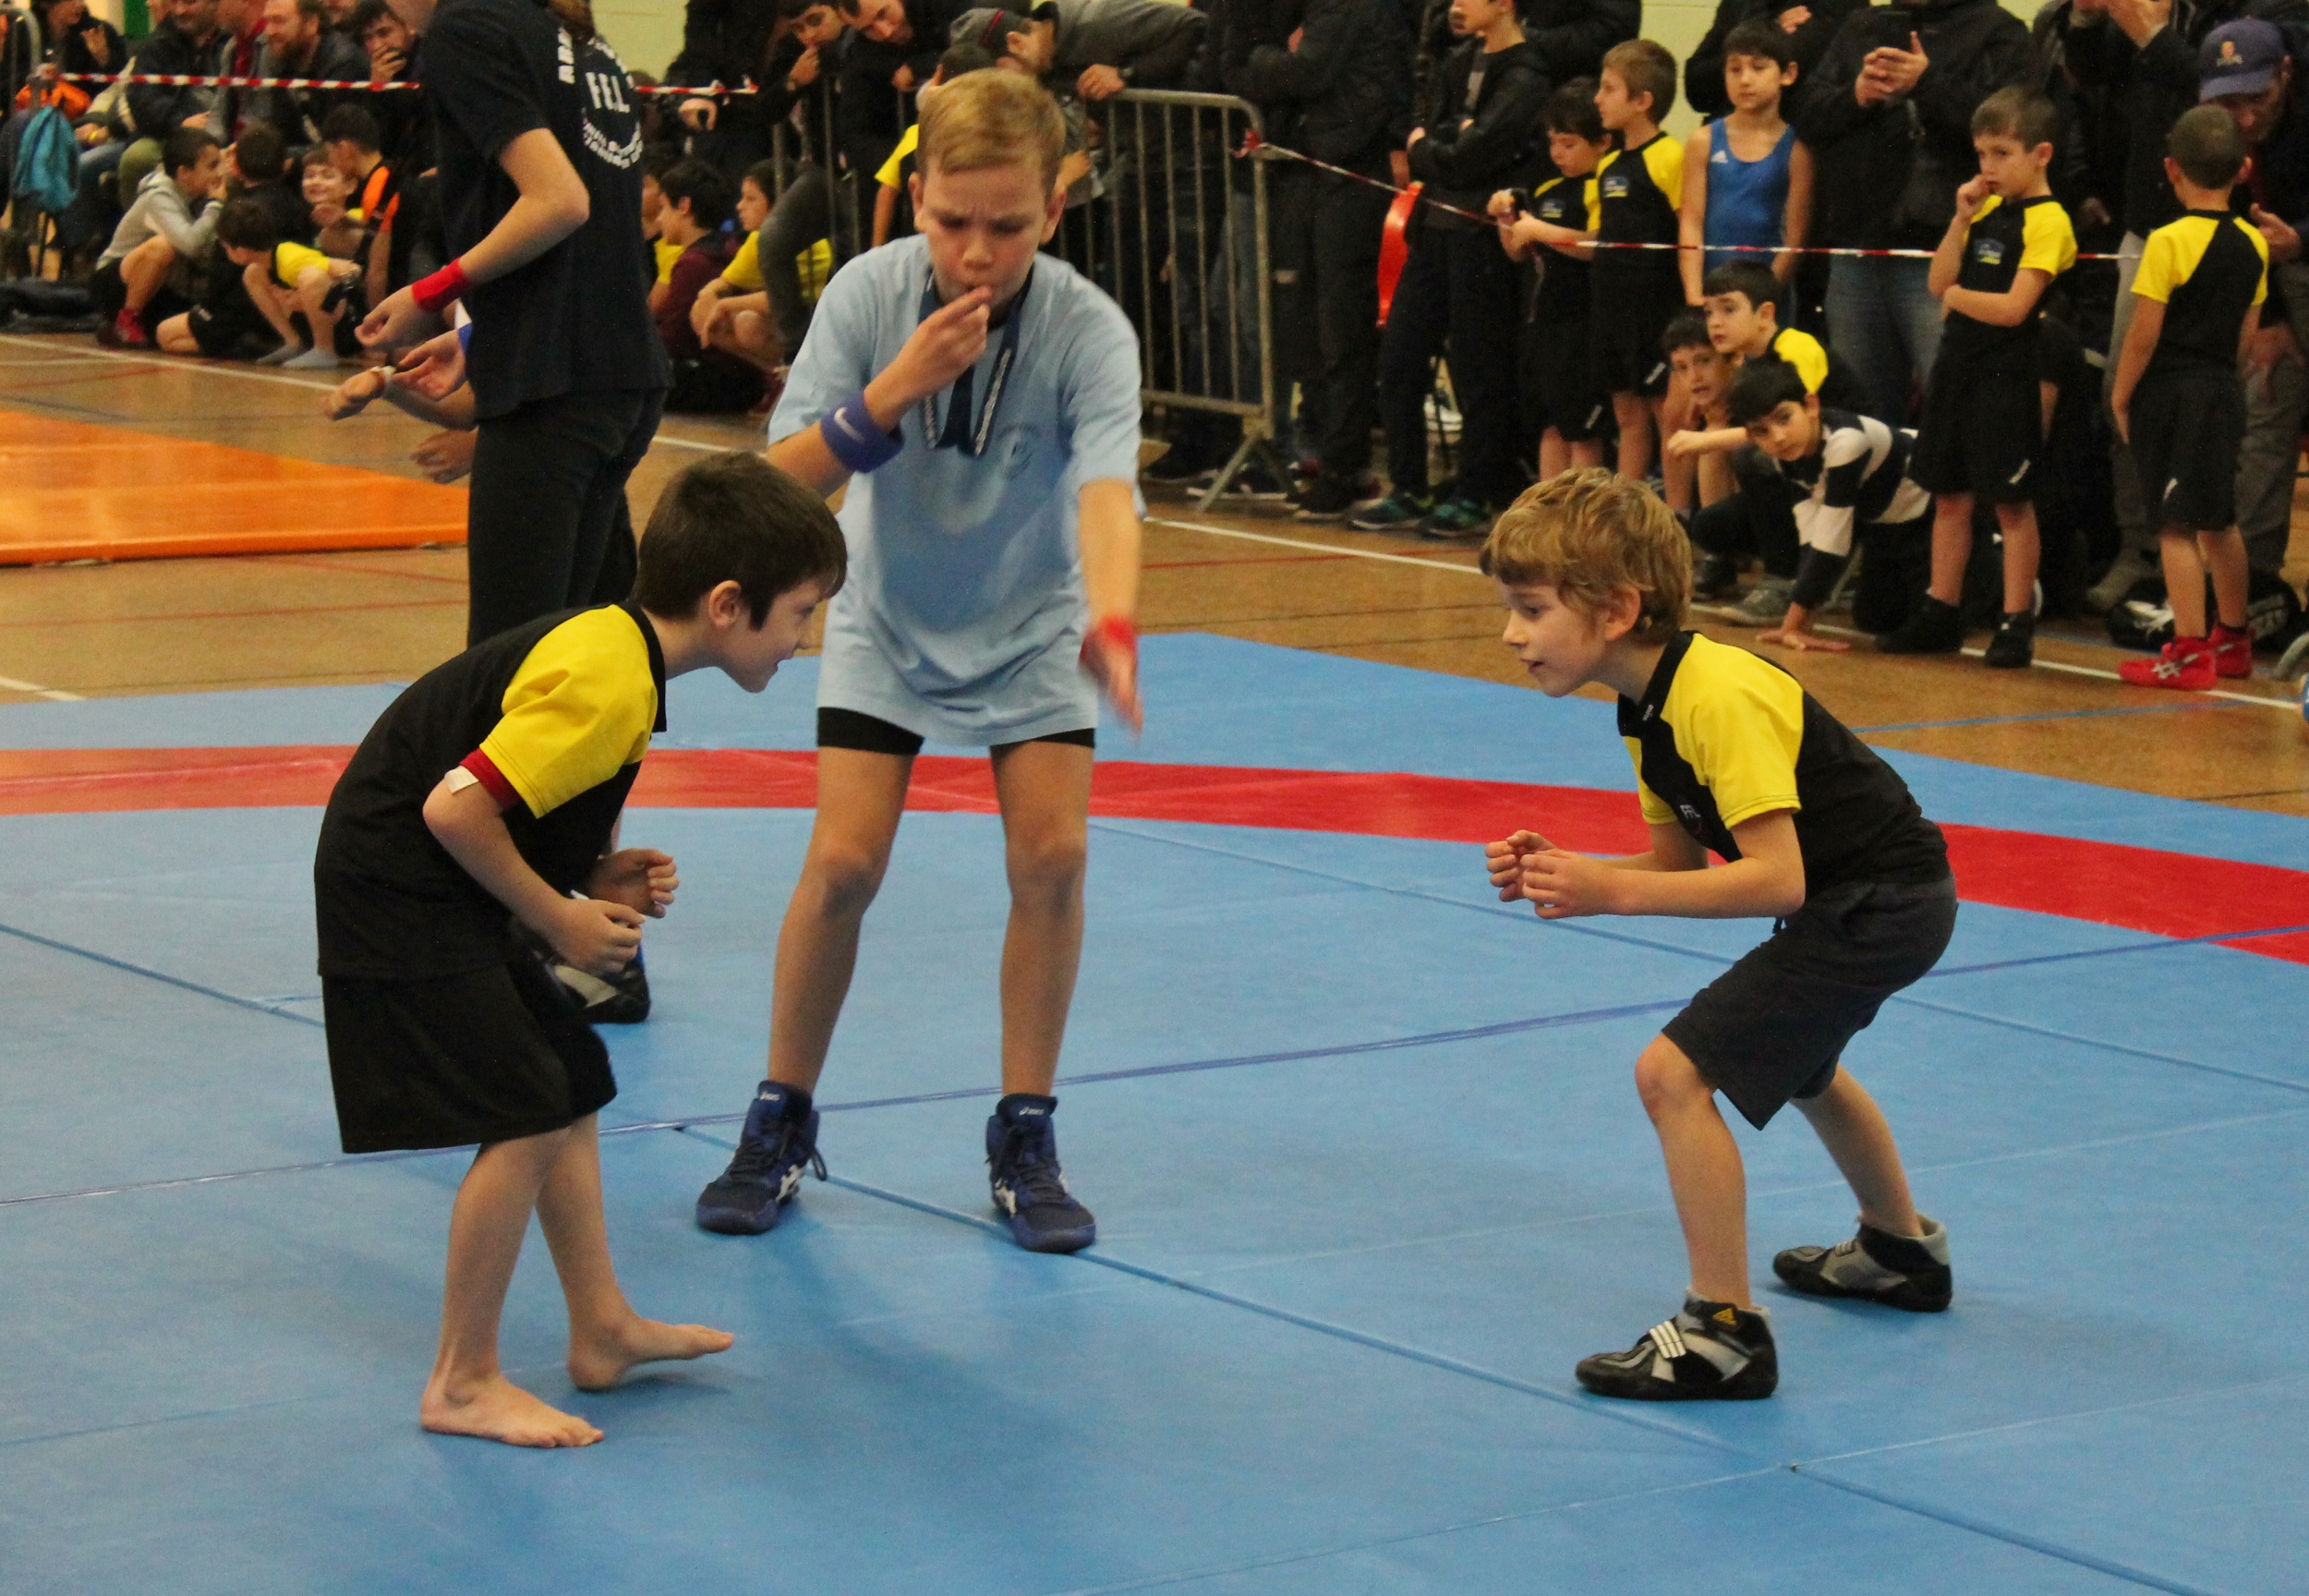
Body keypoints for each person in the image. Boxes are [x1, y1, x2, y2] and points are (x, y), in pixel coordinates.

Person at [691, 71, 1145, 1253]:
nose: (976, 252)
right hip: (885, 615)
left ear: (1054, 207)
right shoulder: (867, 294)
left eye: (1008, 225)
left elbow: (1107, 490)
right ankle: (779, 1116)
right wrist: (895, 389)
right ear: (917, 198)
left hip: (1034, 620)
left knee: (1054, 856)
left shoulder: (1088, 329)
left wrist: (1114, 618)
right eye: (952, 221)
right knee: (843, 863)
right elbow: (776, 483)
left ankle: (1025, 1133)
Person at [312, 451, 846, 1449]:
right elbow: (455, 810)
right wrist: (559, 919)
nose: (803, 640)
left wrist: (586, 875)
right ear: (728, 605)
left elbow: (505, 798)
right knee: (524, 1107)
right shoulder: (611, 681)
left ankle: (600, 1328)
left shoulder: (620, 651)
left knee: (569, 1076)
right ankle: (463, 1380)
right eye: (801, 614)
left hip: (422, 871)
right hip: (395, 888)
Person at [1482, 468, 1956, 1403]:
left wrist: (1610, 893)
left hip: (1879, 901)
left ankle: (1722, 1333)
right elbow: (1680, 862)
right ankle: (1900, 1250)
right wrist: (1572, 871)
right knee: (1804, 1066)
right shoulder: (1645, 706)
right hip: (1871, 896)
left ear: (1617, 610)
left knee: (1671, 1076)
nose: (1511, 633)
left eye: (1531, 610)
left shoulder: (1715, 696)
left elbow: (1777, 879)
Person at [360, 0, 670, 648]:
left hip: (554, 385)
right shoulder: (572, 37)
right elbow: (589, 239)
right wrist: (479, 333)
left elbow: (560, 201)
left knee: (508, 665)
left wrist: (432, 291)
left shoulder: (466, 30)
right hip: (621, 376)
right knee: (584, 655)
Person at [1880, 86, 2075, 666]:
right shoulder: (1986, 209)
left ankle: (2016, 622)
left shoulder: (2050, 222)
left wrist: (1958, 298)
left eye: (2001, 154)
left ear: (2041, 155)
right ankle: (1941, 608)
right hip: (1957, 367)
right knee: (1949, 495)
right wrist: (1960, 218)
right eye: (1982, 154)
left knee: (2011, 504)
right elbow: (1937, 280)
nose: (1988, 167)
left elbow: (2014, 308)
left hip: (2007, 374)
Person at [1347, 0, 1548, 539]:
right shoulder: (1458, 61)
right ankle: (1409, 484)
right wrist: (1444, 143)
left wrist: (1440, 148)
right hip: (1432, 229)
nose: (1456, 3)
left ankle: (1475, 491)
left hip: (1479, 239)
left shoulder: (1527, 76)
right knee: (1400, 356)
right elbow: (1426, 135)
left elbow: (1472, 155)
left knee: (1477, 369)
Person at [1793, 0, 2034, 427]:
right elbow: (1808, 113)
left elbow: (2012, 131)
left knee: (1953, 405)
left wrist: (1927, 83)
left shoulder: (1998, 30)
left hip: (1943, 253)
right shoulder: (1864, 23)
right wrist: (1856, 95)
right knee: (1860, 417)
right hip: (1856, 248)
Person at [1231, 0, 1415, 521]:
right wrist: (1274, 61)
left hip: (1348, 171)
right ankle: (1326, 454)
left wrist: (1262, 59)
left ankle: (1343, 465)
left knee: (1340, 326)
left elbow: (1306, 70)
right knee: (1308, 320)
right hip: (1319, 168)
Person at [2110, 103, 2268, 688]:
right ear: (2243, 170)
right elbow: (2246, 337)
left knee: (2174, 526)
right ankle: (2233, 640)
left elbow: (2143, 332)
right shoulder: (2254, 243)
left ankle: (2189, 653)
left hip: (2172, 393)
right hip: (2222, 389)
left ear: (2171, 168)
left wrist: (2122, 395)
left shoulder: (2168, 240)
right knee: (2218, 519)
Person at [1683, 257, 1868, 614]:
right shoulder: (1748, 363)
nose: (1715, 322)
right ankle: (1729, 565)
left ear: (1765, 314)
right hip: (1805, 478)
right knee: (1711, 526)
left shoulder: (1797, 347)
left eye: (1728, 309)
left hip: (1847, 480)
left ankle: (1785, 579)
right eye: (1709, 313)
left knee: (1754, 458)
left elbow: (1791, 431)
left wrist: (1706, 441)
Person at [1727, 357, 1938, 647]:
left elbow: (1832, 543)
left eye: (1784, 418)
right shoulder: (1785, 458)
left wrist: (1791, 624)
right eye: (1762, 431)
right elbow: (1811, 539)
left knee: (1948, 611)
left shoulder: (1846, 443)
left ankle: (1987, 558)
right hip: (1887, 523)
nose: (1778, 437)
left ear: (1811, 406)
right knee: (1874, 618)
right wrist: (1803, 619)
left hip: (1936, 511)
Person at [1495, 78, 1612, 479]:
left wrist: (1542, 231)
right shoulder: (1547, 189)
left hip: (1582, 325)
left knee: (1581, 431)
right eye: (1553, 143)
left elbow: (1597, 244)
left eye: (1569, 144)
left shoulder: (1602, 186)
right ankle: (1548, 507)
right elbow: (1517, 250)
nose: (1558, 153)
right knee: (1550, 426)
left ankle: (1581, 509)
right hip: (1543, 324)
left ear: (1602, 142)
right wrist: (1505, 218)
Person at [1589, 39, 1687, 494]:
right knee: (1627, 415)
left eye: (1609, 89)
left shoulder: (1670, 157)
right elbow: (1597, 238)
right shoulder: (1607, 164)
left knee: (1665, 413)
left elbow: (1688, 232)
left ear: (1642, 101)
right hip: (1611, 308)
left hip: (1655, 311)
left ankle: (1676, 512)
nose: (1598, 99)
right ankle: (1626, 511)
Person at [1678, 17, 1810, 305]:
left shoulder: (1797, 150)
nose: (1745, 80)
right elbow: (1691, 223)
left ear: (1788, 74)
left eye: (1758, 68)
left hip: (1766, 299)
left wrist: (1761, 300)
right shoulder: (1703, 141)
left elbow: (1795, 239)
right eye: (1735, 69)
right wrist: (1693, 295)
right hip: (1710, 293)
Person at [654, 158, 769, 413]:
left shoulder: (694, 263)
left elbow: (673, 338)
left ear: (684, 206)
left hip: (718, 382)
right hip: (743, 380)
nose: (659, 219)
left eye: (663, 208)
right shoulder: (730, 245)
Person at [90, 126, 221, 349]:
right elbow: (190, 245)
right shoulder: (158, 197)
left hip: (162, 287)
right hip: (115, 283)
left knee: (174, 332)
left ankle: (122, 328)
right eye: (212, 166)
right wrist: (216, 205)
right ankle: (127, 319)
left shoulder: (196, 194)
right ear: (184, 173)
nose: (219, 174)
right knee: (162, 247)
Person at [212, 190, 367, 368]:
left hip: (346, 329)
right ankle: (294, 343)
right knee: (252, 273)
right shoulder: (264, 265)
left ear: (240, 252)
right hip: (310, 324)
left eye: (226, 247)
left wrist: (308, 298)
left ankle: (325, 349)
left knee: (310, 278)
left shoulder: (290, 259)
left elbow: (353, 271)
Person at [689, 157, 785, 381]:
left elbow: (781, 299)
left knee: (748, 324)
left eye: (750, 199)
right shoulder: (757, 239)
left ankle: (791, 375)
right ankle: (775, 377)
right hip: (782, 321)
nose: (740, 206)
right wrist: (709, 297)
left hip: (809, 321)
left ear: (776, 204)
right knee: (701, 310)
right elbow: (721, 284)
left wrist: (724, 304)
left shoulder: (796, 239)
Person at [1686, 0, 1862, 121]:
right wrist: (1767, 31)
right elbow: (1696, 88)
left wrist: (1762, 39)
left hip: (1799, 138)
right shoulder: (1741, 5)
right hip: (1732, 134)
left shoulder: (1838, 7)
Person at [246, 0, 372, 150]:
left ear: (311, 24)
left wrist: (286, 157)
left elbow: (336, 148)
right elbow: (279, 133)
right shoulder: (286, 58)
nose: (269, 31)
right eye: (268, 21)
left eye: (279, 21)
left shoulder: (343, 65)